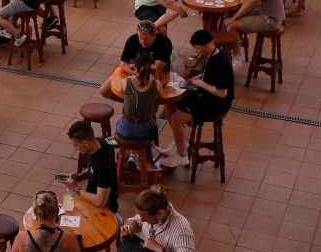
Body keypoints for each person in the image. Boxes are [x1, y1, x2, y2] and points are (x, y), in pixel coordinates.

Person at [165, 30, 234, 161]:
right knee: (169, 103)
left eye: (198, 48)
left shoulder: (220, 62)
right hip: (205, 96)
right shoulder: (211, 54)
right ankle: (180, 142)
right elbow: (209, 76)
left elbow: (222, 93)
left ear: (207, 45)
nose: (196, 52)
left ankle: (181, 156)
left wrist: (200, 83)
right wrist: (195, 80)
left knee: (176, 118)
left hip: (216, 104)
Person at [99, 21, 172, 102]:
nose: (143, 42)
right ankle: (132, 104)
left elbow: (157, 69)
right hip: (135, 71)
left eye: (146, 38)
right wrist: (135, 73)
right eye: (140, 38)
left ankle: (141, 107)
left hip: (156, 74)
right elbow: (123, 64)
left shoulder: (164, 42)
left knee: (151, 100)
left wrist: (139, 73)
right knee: (104, 91)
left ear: (154, 35)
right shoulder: (132, 40)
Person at [68, 120, 118, 214]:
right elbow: (93, 168)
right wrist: (79, 177)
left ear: (86, 143)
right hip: (91, 199)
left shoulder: (104, 164)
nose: (75, 149)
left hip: (104, 211)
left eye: (76, 146)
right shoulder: (98, 143)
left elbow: (100, 201)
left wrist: (76, 189)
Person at [113, 52, 159, 153]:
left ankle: (131, 155)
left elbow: (121, 90)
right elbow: (162, 96)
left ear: (135, 66)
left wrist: (134, 74)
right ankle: (135, 155)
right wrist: (156, 77)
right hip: (145, 131)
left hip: (125, 130)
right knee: (152, 116)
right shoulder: (155, 84)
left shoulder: (126, 81)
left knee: (120, 120)